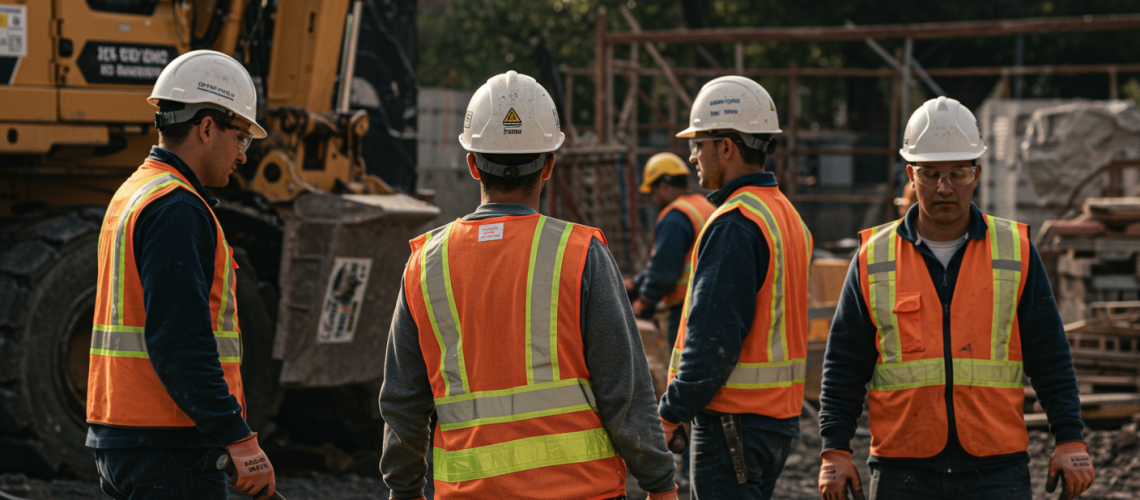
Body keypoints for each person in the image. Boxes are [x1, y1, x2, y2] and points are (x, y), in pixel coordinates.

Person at [379, 70, 678, 500]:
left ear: (472, 163)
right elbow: (625, 390)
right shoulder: (580, 254)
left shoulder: (425, 263)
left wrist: (403, 490)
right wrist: (659, 483)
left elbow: (403, 403)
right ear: (550, 165)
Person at [817, 96, 1094, 500]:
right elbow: (844, 364)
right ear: (911, 174)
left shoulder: (1014, 251)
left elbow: (1049, 353)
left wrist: (1070, 440)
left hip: (996, 469)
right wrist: (834, 450)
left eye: (958, 173)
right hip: (902, 469)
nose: (944, 188)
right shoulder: (873, 257)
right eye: (930, 174)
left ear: (977, 173)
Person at [86, 50, 275, 499]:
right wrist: (239, 437)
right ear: (207, 128)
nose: (243, 156)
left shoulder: (135, 192)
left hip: (127, 437)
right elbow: (179, 341)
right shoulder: (177, 208)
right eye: (241, 138)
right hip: (169, 444)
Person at [658, 75, 813, 499]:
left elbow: (713, 343)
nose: (691, 156)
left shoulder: (734, 223)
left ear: (725, 147)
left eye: (697, 144)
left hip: (733, 425)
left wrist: (671, 413)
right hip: (775, 423)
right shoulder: (786, 216)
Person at [629, 152, 716, 345]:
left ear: (663, 186)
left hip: (687, 309)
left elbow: (665, 269)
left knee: (681, 369)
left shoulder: (674, 218)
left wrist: (645, 302)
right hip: (711, 301)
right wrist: (636, 284)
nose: (653, 198)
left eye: (653, 191)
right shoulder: (704, 206)